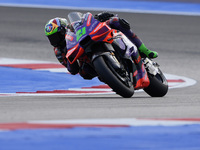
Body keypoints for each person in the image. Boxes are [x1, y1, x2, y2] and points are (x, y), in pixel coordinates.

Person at [44, 12, 158, 85]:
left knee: (116, 21)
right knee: (85, 73)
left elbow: (87, 22)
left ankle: (143, 50)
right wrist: (70, 60)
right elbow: (72, 70)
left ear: (64, 29)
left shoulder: (74, 28)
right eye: (51, 38)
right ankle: (110, 74)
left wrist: (101, 16)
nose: (55, 40)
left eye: (56, 36)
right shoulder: (58, 50)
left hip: (92, 37)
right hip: (86, 60)